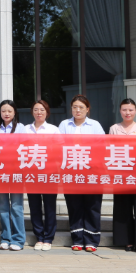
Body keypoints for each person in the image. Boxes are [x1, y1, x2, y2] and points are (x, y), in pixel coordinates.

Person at [58, 94, 106, 253]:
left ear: (87, 109)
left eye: (81, 107)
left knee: (92, 205)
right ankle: (77, 238)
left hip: (92, 171)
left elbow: (102, 146)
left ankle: (92, 240)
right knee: (74, 205)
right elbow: (58, 146)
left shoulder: (95, 125)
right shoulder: (64, 124)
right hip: (71, 171)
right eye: (74, 107)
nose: (77, 110)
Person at [109, 98, 136, 252]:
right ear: (120, 111)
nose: (127, 113)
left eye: (131, 110)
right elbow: (110, 149)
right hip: (120, 171)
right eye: (124, 110)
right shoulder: (114, 128)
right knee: (123, 206)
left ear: (135, 111)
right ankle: (125, 240)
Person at [26, 99, 59, 251]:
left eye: (42, 110)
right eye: (36, 109)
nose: (39, 112)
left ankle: (48, 238)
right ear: (32, 112)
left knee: (50, 206)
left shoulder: (53, 130)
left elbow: (60, 150)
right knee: (34, 206)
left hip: (49, 173)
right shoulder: (25, 129)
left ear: (47, 112)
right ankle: (39, 237)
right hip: (31, 174)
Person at [0, 99, 26, 252]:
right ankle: (5, 238)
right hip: (0, 172)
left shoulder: (21, 128)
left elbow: (25, 148)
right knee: (3, 207)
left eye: (9, 111)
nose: (6, 113)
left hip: (16, 172)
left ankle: (18, 239)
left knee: (17, 206)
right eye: (3, 111)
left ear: (15, 113)